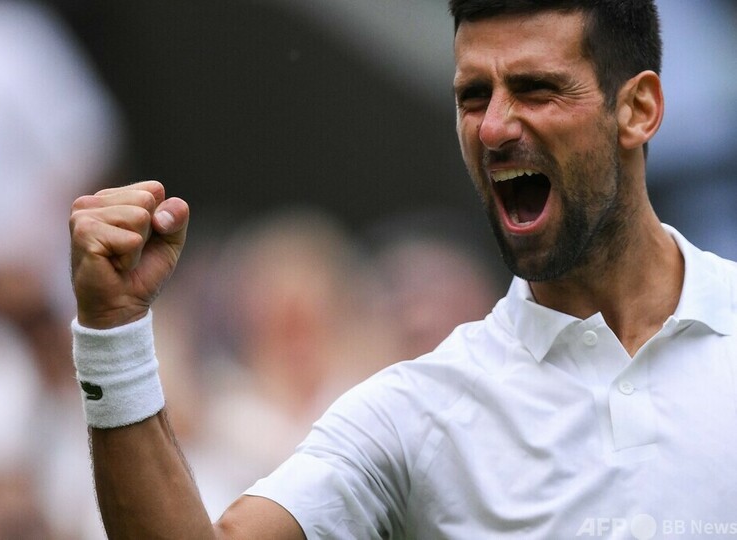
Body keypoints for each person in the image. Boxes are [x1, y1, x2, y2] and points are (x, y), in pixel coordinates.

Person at [67, 1, 737, 538]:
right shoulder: (415, 415)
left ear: (638, 110)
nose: (493, 128)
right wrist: (113, 334)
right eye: (473, 96)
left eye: (536, 89)